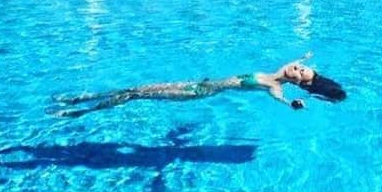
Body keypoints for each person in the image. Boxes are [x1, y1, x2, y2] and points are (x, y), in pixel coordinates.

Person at [49, 53, 346, 117]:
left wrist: (294, 103)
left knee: (137, 95)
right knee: (136, 87)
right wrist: (310, 65)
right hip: (199, 84)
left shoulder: (275, 87)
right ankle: (78, 100)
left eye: (299, 70)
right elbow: (301, 58)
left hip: (199, 93)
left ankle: (80, 112)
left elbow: (281, 101)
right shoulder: (277, 70)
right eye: (299, 65)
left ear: (293, 81)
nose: (295, 66)